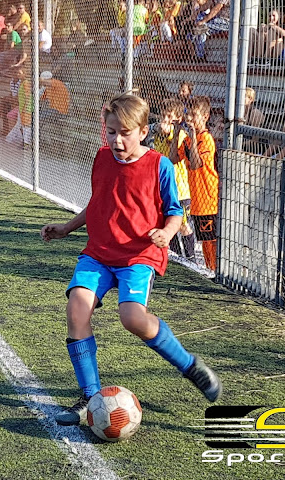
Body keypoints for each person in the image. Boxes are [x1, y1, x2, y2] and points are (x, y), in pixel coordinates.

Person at [40, 92, 222, 426]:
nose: (117, 140)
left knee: (132, 318)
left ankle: (190, 366)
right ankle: (90, 398)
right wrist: (67, 228)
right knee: (77, 308)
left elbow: (175, 211)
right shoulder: (102, 158)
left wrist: (166, 232)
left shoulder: (159, 165)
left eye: (125, 133)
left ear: (143, 131)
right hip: (99, 252)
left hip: (139, 254)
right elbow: (98, 203)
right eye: (112, 132)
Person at [143, 98, 196, 260]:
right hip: (164, 188)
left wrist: (172, 130)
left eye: (169, 117)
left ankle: (191, 257)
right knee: (167, 222)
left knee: (183, 225)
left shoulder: (180, 135)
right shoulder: (158, 134)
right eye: (163, 115)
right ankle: (176, 255)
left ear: (178, 119)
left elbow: (173, 158)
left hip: (179, 190)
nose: (164, 120)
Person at [172, 96, 218, 271]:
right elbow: (173, 158)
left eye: (194, 115)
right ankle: (210, 269)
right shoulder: (188, 139)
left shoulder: (206, 139)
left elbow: (196, 163)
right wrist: (177, 133)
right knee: (205, 241)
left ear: (205, 116)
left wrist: (191, 134)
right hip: (197, 200)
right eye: (188, 115)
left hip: (208, 199)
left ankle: (214, 270)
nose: (189, 119)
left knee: (210, 241)